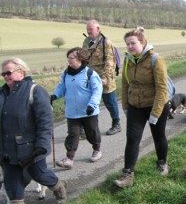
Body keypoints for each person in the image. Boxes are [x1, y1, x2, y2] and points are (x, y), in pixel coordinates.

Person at [0, 58, 67, 204]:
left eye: (9, 72)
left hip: (30, 148)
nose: (5, 76)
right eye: (3, 73)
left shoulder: (35, 91)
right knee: (11, 178)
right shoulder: (1, 94)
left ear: (21, 72)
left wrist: (42, 146)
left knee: (40, 174)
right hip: (6, 148)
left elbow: (45, 122)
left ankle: (58, 186)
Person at [113, 26, 170, 188]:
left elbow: (162, 88)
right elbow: (125, 85)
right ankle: (127, 175)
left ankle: (162, 163)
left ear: (143, 43)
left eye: (133, 43)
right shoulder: (128, 60)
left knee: (158, 136)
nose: (129, 47)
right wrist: (125, 106)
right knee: (132, 139)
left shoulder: (156, 60)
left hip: (155, 105)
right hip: (135, 106)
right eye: (127, 44)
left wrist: (156, 112)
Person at [51, 48, 103, 169]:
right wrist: (54, 95)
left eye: (71, 58)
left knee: (92, 132)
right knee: (73, 134)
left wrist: (92, 105)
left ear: (80, 59)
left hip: (88, 111)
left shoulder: (90, 73)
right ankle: (69, 159)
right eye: (68, 58)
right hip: (72, 112)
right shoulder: (66, 74)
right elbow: (61, 88)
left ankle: (97, 150)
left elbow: (97, 91)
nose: (69, 60)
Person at [82, 20, 122, 135]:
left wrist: (105, 78)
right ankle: (90, 128)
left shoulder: (106, 42)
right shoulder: (86, 41)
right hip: (90, 77)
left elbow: (110, 62)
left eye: (91, 29)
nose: (89, 31)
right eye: (87, 29)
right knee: (90, 102)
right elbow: (83, 58)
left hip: (104, 77)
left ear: (98, 29)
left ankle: (116, 124)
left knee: (110, 102)